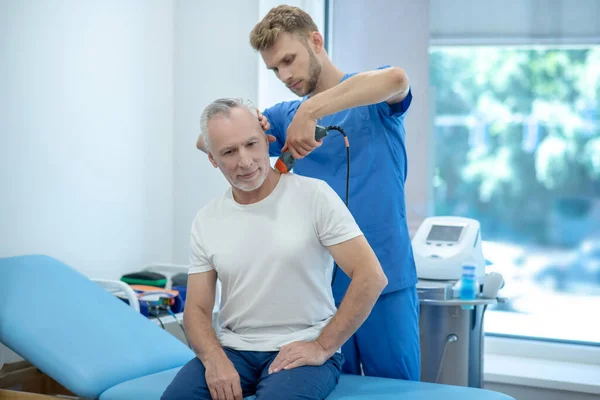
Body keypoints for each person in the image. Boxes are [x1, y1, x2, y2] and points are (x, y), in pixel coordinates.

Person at [162, 98, 388, 400]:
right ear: (213, 159)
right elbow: (197, 310)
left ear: (268, 141)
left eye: (251, 145)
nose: (245, 161)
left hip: (301, 347)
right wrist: (214, 359)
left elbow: (371, 277)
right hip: (234, 351)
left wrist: (322, 347)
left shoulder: (314, 196)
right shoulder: (207, 219)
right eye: (229, 152)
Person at [249, 5, 421, 381]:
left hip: (384, 286)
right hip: (318, 295)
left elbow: (397, 79)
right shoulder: (283, 117)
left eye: (289, 60)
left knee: (395, 392)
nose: (285, 75)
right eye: (275, 69)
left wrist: (311, 111)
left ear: (316, 41)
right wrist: (250, 121)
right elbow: (207, 140)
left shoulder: (372, 100)